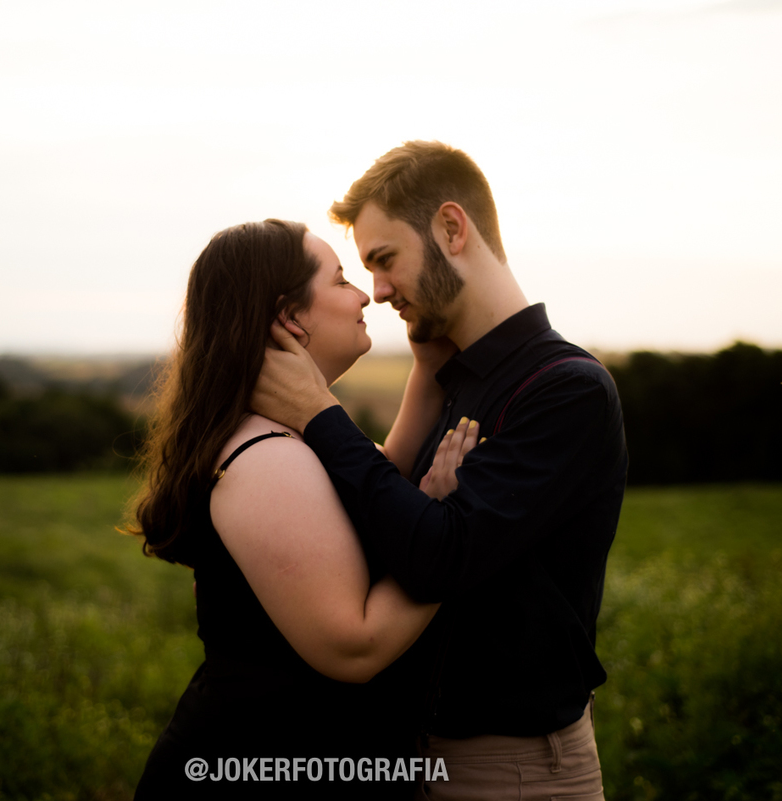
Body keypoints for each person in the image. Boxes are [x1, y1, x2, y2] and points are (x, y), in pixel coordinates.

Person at [251, 141, 628, 800]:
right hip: (424, 756)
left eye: (385, 259)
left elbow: (436, 558)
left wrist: (319, 412)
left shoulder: (564, 390)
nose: (378, 290)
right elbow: (387, 527)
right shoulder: (454, 380)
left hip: (512, 770)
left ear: (452, 229)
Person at [128, 219, 477, 800]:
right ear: (290, 317)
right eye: (340, 280)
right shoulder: (267, 459)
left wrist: (427, 370)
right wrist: (447, 528)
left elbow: (370, 487)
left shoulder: (285, 438)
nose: (364, 293)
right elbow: (354, 646)